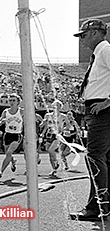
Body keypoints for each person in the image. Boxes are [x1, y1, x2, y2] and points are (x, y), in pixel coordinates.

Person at [70, 19, 110, 221]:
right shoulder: (100, 53)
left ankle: (97, 207)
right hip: (97, 108)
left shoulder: (105, 51)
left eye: (83, 35)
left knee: (94, 156)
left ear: (95, 33)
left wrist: (107, 102)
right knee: (104, 158)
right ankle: (102, 205)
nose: (81, 40)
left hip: (102, 110)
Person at [0, 93, 23, 179]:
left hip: (17, 135)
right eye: (10, 100)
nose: (11, 102)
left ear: (18, 102)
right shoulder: (5, 112)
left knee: (9, 152)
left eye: (14, 100)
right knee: (7, 153)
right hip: (7, 134)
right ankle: (13, 161)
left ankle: (1, 171)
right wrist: (0, 122)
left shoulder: (21, 111)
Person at [39, 100, 68, 177]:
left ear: (60, 107)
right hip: (49, 135)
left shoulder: (63, 116)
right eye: (54, 106)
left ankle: (57, 162)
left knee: (51, 150)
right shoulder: (48, 115)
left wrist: (63, 129)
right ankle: (54, 170)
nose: (55, 107)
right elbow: (45, 125)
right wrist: (42, 132)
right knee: (50, 154)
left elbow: (68, 126)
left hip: (57, 135)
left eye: (57, 106)